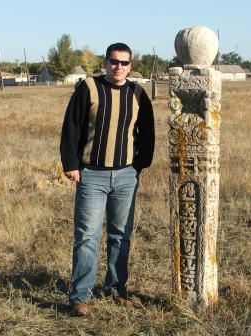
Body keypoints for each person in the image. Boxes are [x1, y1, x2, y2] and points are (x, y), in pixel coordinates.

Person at [60, 42, 155, 316]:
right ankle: (80, 296)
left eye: (124, 63)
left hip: (126, 175)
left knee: (120, 235)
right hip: (91, 175)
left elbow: (147, 132)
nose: (119, 67)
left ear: (131, 66)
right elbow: (71, 127)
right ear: (105, 63)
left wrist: (139, 165)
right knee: (87, 236)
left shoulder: (137, 93)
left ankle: (115, 289)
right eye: (114, 61)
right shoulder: (88, 88)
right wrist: (71, 165)